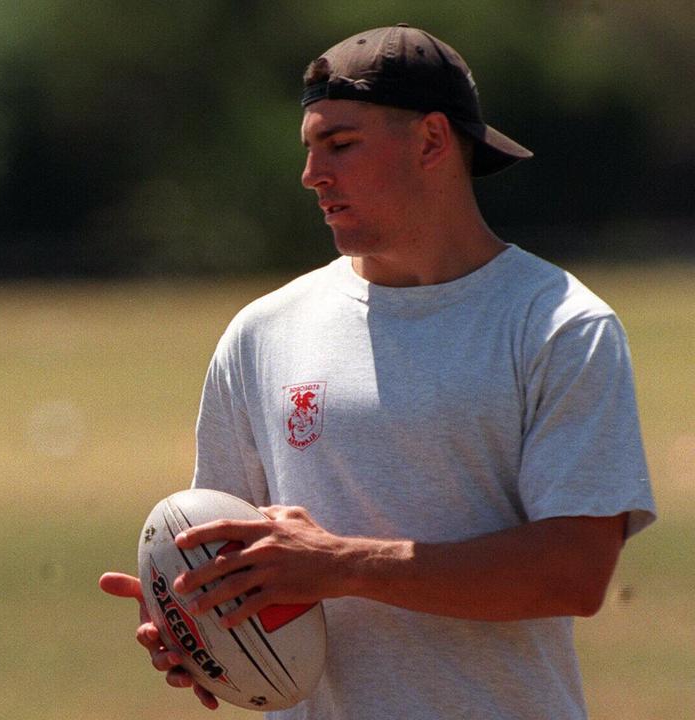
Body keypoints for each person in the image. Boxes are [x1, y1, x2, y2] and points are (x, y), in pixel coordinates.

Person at [101, 24, 656, 719]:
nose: (312, 174)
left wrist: (341, 564)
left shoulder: (558, 326)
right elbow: (233, 562)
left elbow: (571, 574)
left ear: (430, 141)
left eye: (340, 144)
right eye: (309, 149)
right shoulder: (263, 333)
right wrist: (198, 625)